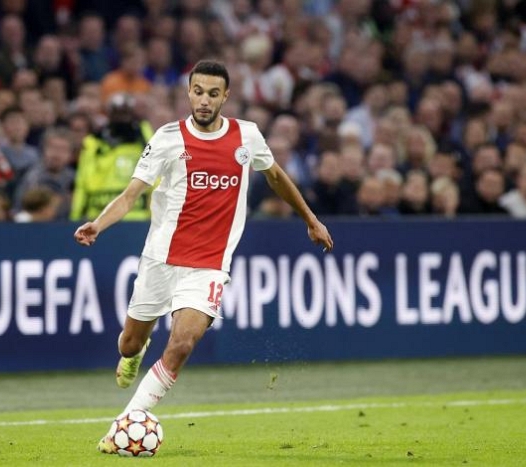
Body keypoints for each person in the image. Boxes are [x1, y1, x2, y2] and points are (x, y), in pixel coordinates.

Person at [73, 60, 333, 454]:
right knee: (128, 344)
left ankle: (126, 421)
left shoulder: (247, 136)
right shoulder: (167, 138)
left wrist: (311, 220)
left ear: (225, 96)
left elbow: (276, 176)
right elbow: (130, 195)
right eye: (198, 92)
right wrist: (98, 224)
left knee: (182, 343)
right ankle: (135, 353)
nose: (205, 100)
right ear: (189, 93)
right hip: (160, 260)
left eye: (213, 93)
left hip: (209, 265)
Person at [70, 92, 154, 221]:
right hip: (99, 217)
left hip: (136, 218)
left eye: (125, 114)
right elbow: (81, 184)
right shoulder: (93, 144)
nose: (122, 119)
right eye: (117, 114)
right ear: (109, 115)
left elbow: (156, 180)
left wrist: (155, 219)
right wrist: (75, 218)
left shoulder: (144, 142)